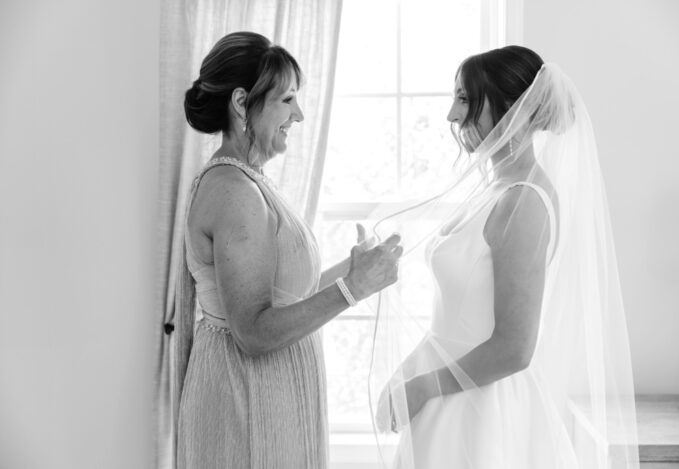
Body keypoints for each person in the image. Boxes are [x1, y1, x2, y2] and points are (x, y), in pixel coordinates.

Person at [369, 45, 640, 469]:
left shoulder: (524, 203)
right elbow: (454, 319)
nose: (452, 116)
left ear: (510, 107)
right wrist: (407, 376)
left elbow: (515, 348)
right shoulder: (494, 189)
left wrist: (422, 387)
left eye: (464, 99)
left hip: (483, 412)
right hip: (449, 396)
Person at [172, 31, 402, 468]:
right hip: (245, 402)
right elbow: (254, 332)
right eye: (287, 100)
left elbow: (283, 295)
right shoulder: (233, 192)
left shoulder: (249, 181)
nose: (298, 114)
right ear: (242, 103)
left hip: (269, 397)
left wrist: (359, 273)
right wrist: (352, 289)